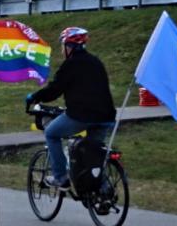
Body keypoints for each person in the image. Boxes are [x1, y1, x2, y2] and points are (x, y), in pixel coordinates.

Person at [25, 27, 116, 190]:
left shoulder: (71, 64)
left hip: (82, 115)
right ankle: (103, 190)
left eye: (63, 45)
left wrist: (35, 97)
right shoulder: (96, 62)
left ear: (69, 46)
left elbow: (54, 89)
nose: (62, 50)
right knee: (93, 152)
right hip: (106, 116)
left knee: (51, 134)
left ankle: (61, 178)